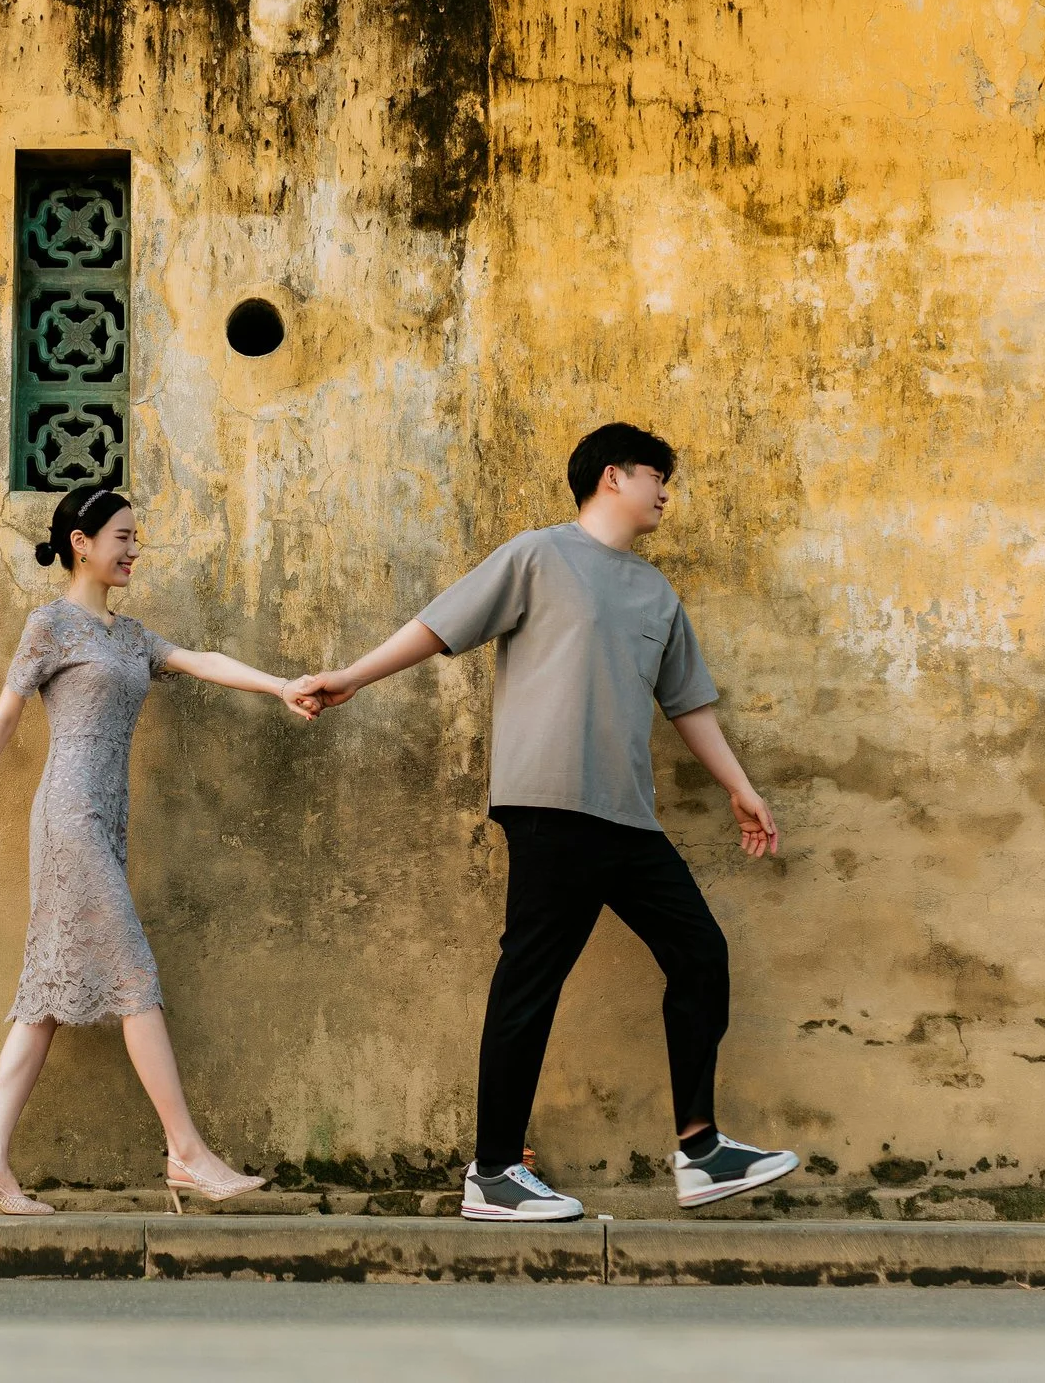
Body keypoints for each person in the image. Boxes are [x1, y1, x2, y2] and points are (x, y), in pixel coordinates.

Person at [297, 423, 799, 1219]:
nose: (667, 491)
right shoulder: (538, 555)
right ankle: (494, 1171)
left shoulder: (656, 595)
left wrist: (740, 786)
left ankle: (702, 1152)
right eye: (657, 476)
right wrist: (352, 677)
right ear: (613, 476)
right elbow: (441, 624)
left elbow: (687, 703)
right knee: (531, 979)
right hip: (551, 805)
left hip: (627, 817)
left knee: (700, 952)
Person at [0, 484, 319, 1216]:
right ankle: (186, 1154)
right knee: (133, 971)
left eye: (136, 537)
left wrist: (279, 687)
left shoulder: (132, 637)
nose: (134, 549)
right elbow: (1, 723)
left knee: (46, 992)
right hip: (68, 817)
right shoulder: (49, 625)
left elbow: (202, 659)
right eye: (122, 536)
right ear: (81, 543)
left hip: (107, 819)